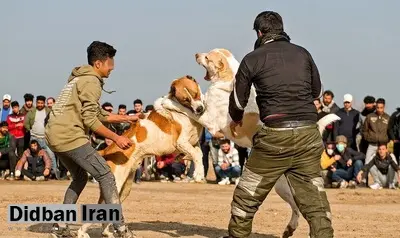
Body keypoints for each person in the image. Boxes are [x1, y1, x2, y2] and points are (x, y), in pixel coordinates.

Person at [224, 11, 333, 238]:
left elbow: (237, 101)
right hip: (308, 134)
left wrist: (236, 119)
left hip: (275, 137)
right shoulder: (303, 54)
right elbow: (317, 92)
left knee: (247, 196)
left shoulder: (252, 58)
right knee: (314, 198)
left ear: (259, 32)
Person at [45, 41, 141, 238]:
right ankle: (120, 228)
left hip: (54, 134)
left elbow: (97, 113)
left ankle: (60, 226)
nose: (112, 69)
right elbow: (90, 119)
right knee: (106, 175)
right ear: (98, 63)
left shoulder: (79, 79)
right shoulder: (91, 81)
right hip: (69, 135)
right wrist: (117, 138)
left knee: (80, 176)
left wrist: (127, 117)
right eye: (109, 64)